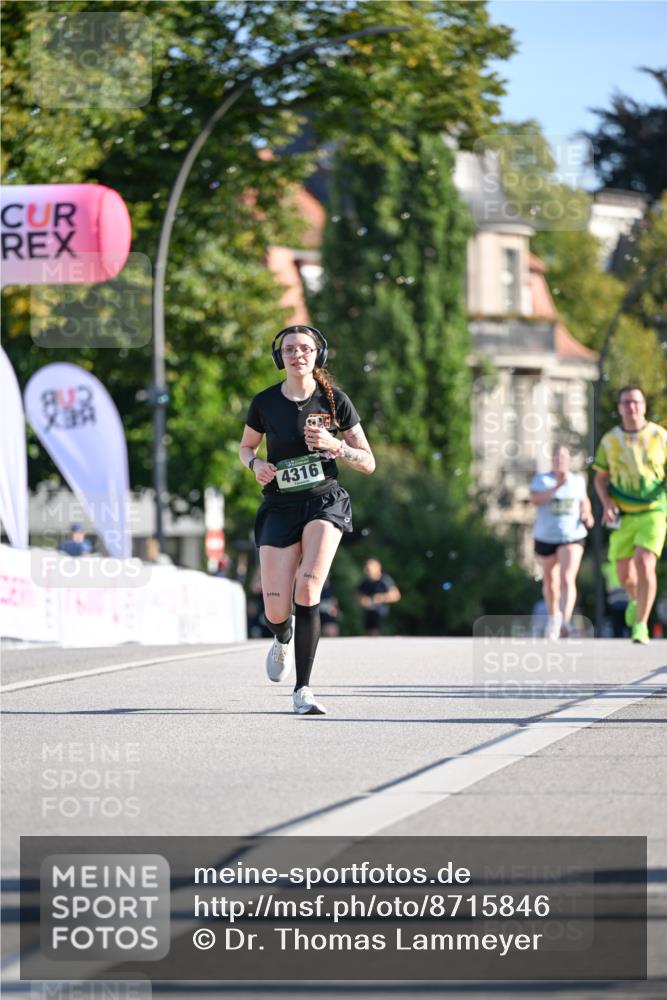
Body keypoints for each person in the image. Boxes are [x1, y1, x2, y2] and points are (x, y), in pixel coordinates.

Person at [238, 324, 375, 715]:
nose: (298, 355)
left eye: (305, 349)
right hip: (279, 506)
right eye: (290, 349)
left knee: (310, 586)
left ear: (318, 356)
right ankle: (282, 636)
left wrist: (337, 447)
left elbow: (368, 462)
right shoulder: (264, 402)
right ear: (279, 357)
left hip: (324, 501)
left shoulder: (336, 402)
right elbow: (246, 447)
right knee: (277, 610)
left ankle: (303, 690)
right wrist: (256, 464)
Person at [593, 385, 667, 645]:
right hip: (623, 514)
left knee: (645, 562)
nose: (631, 407)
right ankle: (635, 599)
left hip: (653, 510)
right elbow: (600, 478)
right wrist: (606, 502)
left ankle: (641, 625)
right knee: (624, 574)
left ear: (644, 406)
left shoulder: (660, 436)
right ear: (619, 408)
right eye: (626, 403)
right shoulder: (610, 440)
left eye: (636, 402)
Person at [530, 444, 594, 639]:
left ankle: (565, 621)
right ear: (552, 460)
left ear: (570, 460)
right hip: (545, 536)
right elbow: (536, 500)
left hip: (572, 535)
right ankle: (554, 617)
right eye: (557, 457)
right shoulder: (542, 480)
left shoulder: (577, 481)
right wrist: (556, 486)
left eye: (564, 457)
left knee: (567, 577)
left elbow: (584, 501)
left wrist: (587, 514)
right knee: (550, 581)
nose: (560, 461)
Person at [356, 558, 402, 636]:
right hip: (368, 613)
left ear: (377, 568)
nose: (367, 571)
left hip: (381, 613)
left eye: (369, 568)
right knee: (370, 634)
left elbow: (396, 595)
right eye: (366, 568)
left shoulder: (385, 580)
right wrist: (364, 601)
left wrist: (381, 598)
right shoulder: (365, 582)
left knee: (376, 633)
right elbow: (358, 597)